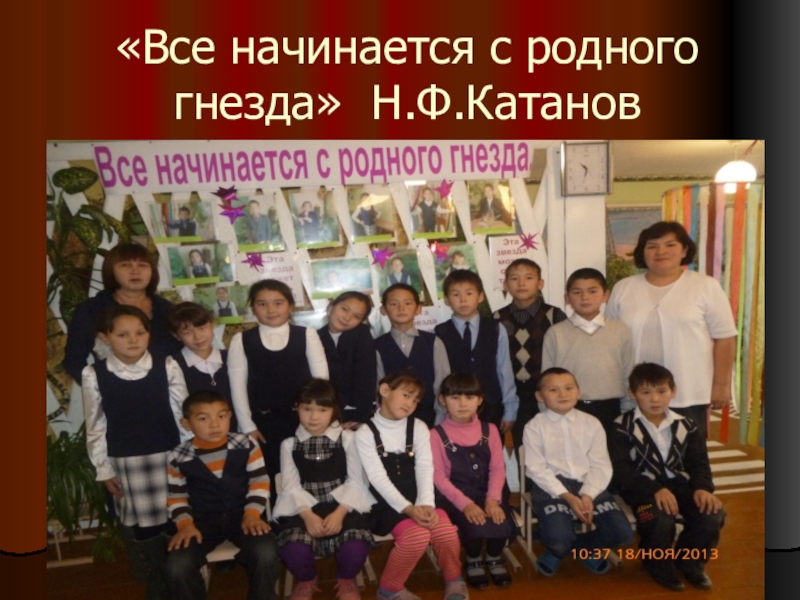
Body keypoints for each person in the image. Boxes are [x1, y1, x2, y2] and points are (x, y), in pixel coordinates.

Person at [82, 305, 190, 599]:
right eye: (123, 334)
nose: (133, 340)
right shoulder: (94, 374)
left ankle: (178, 576)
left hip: (169, 456)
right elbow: (95, 425)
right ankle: (156, 578)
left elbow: (182, 415)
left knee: (175, 518)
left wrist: (189, 457)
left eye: (140, 333)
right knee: (144, 528)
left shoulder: (166, 365)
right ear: (105, 337)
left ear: (149, 334)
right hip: (126, 462)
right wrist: (103, 468)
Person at [606, 221, 738, 438]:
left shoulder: (705, 286)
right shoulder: (624, 288)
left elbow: (725, 338)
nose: (661, 252)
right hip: (635, 393)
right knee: (635, 451)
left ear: (684, 250)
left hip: (687, 392)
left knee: (686, 453)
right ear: (643, 252)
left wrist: (721, 385)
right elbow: (610, 338)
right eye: (652, 246)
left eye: (670, 245)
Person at [610, 363, 725, 592]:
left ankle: (690, 561)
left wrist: (703, 488)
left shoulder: (688, 425)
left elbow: (699, 463)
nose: (655, 399)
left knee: (711, 514)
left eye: (662, 391)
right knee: (657, 516)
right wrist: (654, 489)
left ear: (673, 391)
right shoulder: (621, 427)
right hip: (641, 490)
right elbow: (621, 469)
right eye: (646, 392)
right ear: (632, 394)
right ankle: (657, 563)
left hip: (681, 485)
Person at [355, 373, 469, 600]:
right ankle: (389, 589)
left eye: (415, 400)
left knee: (446, 533)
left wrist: (425, 503)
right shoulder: (365, 433)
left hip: (421, 496)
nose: (410, 404)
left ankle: (454, 578)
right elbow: (378, 478)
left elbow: (425, 467)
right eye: (406, 395)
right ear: (385, 391)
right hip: (387, 503)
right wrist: (408, 509)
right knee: (416, 537)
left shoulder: (418, 426)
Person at [165, 390, 279, 600]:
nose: (214, 424)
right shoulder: (178, 456)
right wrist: (185, 525)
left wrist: (252, 514)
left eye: (221, 416)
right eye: (203, 419)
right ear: (186, 424)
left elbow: (259, 481)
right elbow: (176, 496)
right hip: (201, 522)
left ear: (229, 417)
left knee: (265, 551)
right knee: (178, 565)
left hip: (244, 516)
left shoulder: (246, 444)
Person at [523, 367, 633, 577]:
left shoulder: (591, 423)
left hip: (589, 483)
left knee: (622, 534)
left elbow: (601, 464)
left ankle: (578, 549)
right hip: (552, 486)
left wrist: (588, 494)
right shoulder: (534, 427)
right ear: (539, 396)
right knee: (558, 537)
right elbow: (536, 468)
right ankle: (559, 548)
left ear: (578, 392)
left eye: (568, 388)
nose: (562, 394)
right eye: (553, 390)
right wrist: (568, 496)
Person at [228, 279, 329, 505]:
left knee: (308, 473)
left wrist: (320, 419)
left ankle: (309, 517)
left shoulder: (307, 335)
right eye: (262, 304)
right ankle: (278, 519)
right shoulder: (242, 340)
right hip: (264, 424)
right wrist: (248, 427)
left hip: (304, 420)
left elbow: (322, 383)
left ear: (290, 306)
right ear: (253, 308)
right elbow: (238, 387)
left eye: (278, 303)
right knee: (272, 476)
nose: (271, 310)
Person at [273, 379, 375, 600]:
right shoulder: (289, 444)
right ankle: (307, 580)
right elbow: (290, 486)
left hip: (343, 507)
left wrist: (339, 513)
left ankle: (346, 579)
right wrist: (308, 516)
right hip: (304, 509)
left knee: (355, 547)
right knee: (293, 549)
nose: (314, 417)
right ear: (296, 408)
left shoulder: (348, 439)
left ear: (334, 410)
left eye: (322, 409)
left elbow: (356, 481)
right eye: (306, 409)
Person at [430, 373, 517, 590]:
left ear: (480, 400)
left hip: (490, 490)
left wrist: (492, 500)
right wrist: (466, 504)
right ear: (442, 400)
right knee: (474, 522)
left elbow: (498, 468)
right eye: (455, 397)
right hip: (456, 495)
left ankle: (495, 557)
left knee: (500, 519)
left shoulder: (491, 430)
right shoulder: (435, 434)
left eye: (469, 397)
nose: (462, 404)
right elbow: (438, 477)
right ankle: (473, 558)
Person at [64, 242, 183, 383]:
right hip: (115, 390)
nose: (135, 271)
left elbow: (185, 352)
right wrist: (100, 388)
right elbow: (74, 360)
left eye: (142, 265)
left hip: (168, 389)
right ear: (111, 271)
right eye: (126, 265)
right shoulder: (92, 309)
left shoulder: (168, 310)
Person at [542, 268, 634, 437]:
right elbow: (547, 377)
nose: (585, 297)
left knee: (609, 453)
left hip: (611, 409)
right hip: (568, 408)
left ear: (605, 295)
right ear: (567, 298)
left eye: (592, 291)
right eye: (577, 292)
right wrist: (546, 411)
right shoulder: (556, 333)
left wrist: (628, 409)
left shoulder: (620, 330)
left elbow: (628, 371)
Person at [493, 258, 567, 452]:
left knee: (553, 447)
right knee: (523, 448)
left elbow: (564, 357)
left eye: (528, 277)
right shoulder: (497, 318)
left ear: (540, 283)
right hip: (512, 393)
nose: (521, 283)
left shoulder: (555, 316)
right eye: (514, 278)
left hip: (547, 392)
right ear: (505, 284)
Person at [435, 270, 518, 432]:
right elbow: (440, 376)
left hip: (491, 406)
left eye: (469, 293)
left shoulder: (496, 328)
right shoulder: (439, 332)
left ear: (480, 297)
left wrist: (510, 409)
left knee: (490, 446)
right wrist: (441, 412)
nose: (463, 299)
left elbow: (504, 370)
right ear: (446, 299)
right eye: (456, 294)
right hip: (454, 410)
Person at [376, 283, 450, 428]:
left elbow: (442, 383)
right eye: (393, 304)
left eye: (408, 303)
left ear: (418, 308)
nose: (401, 308)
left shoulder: (433, 342)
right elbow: (378, 387)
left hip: (431, 418)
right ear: (383, 310)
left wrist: (440, 419)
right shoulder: (376, 346)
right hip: (392, 422)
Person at [168, 302, 237, 433]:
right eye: (187, 332)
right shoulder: (172, 365)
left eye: (202, 328)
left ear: (212, 324)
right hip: (196, 437)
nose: (198, 337)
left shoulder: (231, 358)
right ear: (176, 335)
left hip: (234, 433)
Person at [317, 292, 377, 426]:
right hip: (324, 410)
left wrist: (361, 416)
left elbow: (366, 376)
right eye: (344, 309)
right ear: (331, 307)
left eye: (356, 316)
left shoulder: (361, 334)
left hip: (356, 410)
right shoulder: (315, 337)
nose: (347, 318)